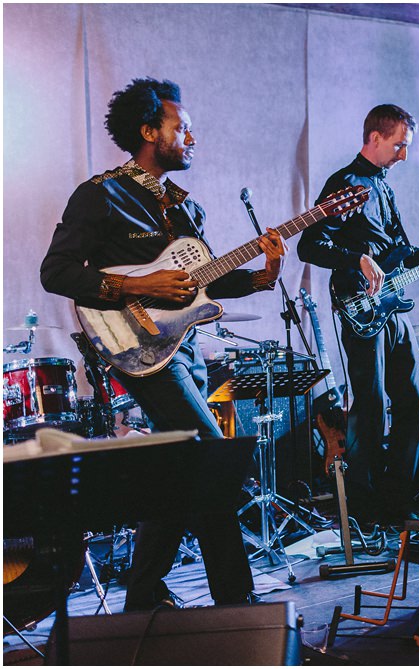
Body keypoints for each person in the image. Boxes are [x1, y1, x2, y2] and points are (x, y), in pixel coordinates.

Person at [40, 78, 286, 611]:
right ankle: (239, 609)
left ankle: (143, 598)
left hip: (184, 347)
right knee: (212, 462)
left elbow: (204, 282)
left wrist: (263, 275)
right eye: (183, 128)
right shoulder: (101, 195)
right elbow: (55, 271)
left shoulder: (184, 210)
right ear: (150, 132)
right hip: (133, 346)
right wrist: (135, 286)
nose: (192, 138)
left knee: (178, 471)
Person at [297, 104, 419, 524]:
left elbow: (403, 252)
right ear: (375, 138)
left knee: (414, 403)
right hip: (360, 309)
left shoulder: (384, 186)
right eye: (399, 145)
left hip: (392, 308)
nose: (403, 156)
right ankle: (363, 509)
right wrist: (356, 258)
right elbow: (309, 246)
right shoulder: (344, 184)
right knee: (371, 408)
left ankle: (397, 504)